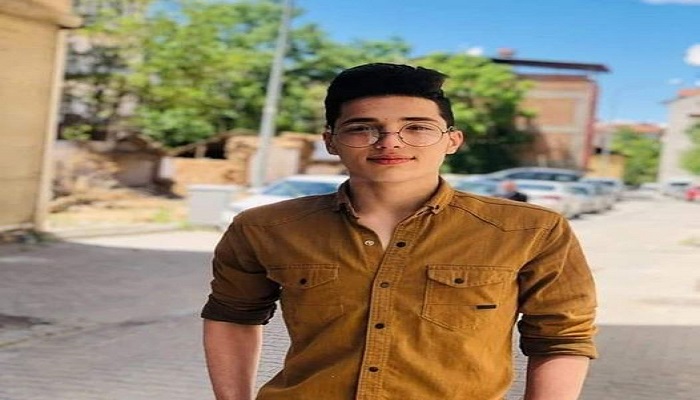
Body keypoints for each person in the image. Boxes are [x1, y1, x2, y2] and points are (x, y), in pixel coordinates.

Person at [201, 63, 598, 400]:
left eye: (417, 127)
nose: (390, 142)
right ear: (331, 141)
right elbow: (232, 316)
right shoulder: (266, 228)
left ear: (452, 140)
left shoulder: (530, 230)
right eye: (362, 128)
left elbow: (561, 338)